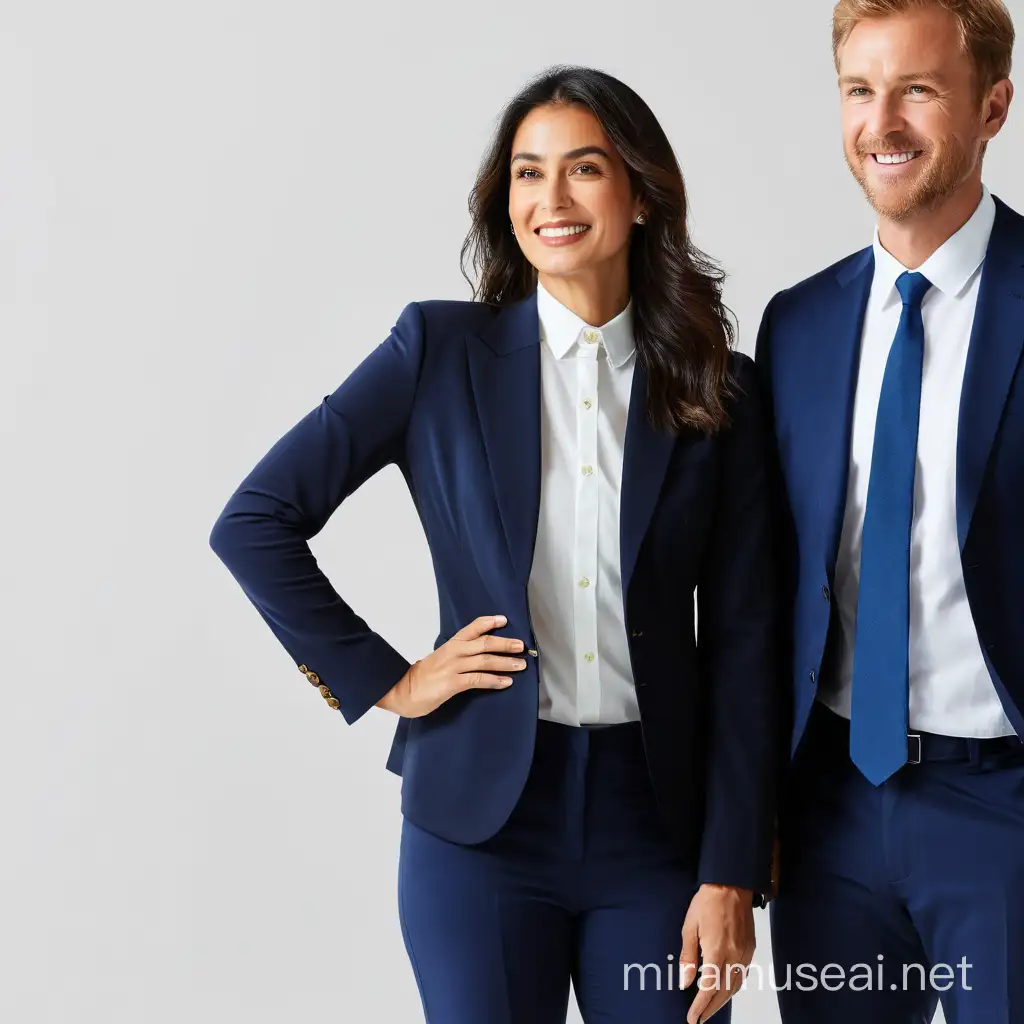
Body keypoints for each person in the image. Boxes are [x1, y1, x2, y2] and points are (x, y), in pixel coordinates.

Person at [210, 65, 778, 1024]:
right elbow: (256, 521)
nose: (550, 199)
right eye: (526, 172)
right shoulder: (437, 354)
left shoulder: (722, 390)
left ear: (640, 194)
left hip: (661, 830)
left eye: (584, 169)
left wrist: (732, 869)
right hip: (478, 830)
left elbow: (747, 642)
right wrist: (388, 679)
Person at [756, 1, 1024, 1021]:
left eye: (917, 88)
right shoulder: (799, 325)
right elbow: (768, 586)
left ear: (992, 106)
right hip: (827, 815)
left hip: (999, 805)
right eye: (859, 91)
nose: (883, 123)